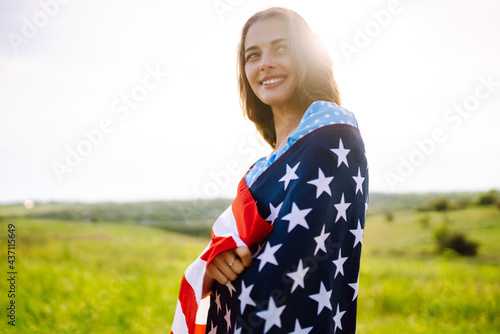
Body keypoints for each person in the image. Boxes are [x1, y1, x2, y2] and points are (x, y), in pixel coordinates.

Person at [172, 7, 368, 334]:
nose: (264, 63)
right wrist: (215, 264)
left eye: (281, 48)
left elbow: (294, 263)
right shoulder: (260, 169)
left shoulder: (330, 132)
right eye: (252, 55)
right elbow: (240, 250)